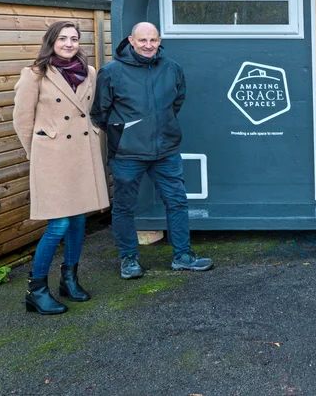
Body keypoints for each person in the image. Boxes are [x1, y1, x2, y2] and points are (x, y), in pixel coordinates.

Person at [90, 22, 213, 279]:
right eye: (143, 40)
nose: (148, 45)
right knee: (124, 207)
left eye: (153, 40)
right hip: (127, 154)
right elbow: (100, 113)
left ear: (159, 41)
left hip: (165, 151)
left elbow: (176, 101)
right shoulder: (112, 72)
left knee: (177, 202)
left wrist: (161, 127)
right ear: (131, 41)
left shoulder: (172, 69)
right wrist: (124, 134)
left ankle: (182, 257)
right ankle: (128, 259)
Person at [13, 21, 110, 315]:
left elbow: (91, 110)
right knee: (59, 225)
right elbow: (22, 119)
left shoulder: (89, 72)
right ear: (51, 41)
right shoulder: (35, 74)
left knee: (79, 221)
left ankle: (69, 280)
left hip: (81, 153)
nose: (69, 43)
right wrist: (37, 154)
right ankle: (36, 290)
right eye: (63, 38)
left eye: (74, 39)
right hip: (52, 158)